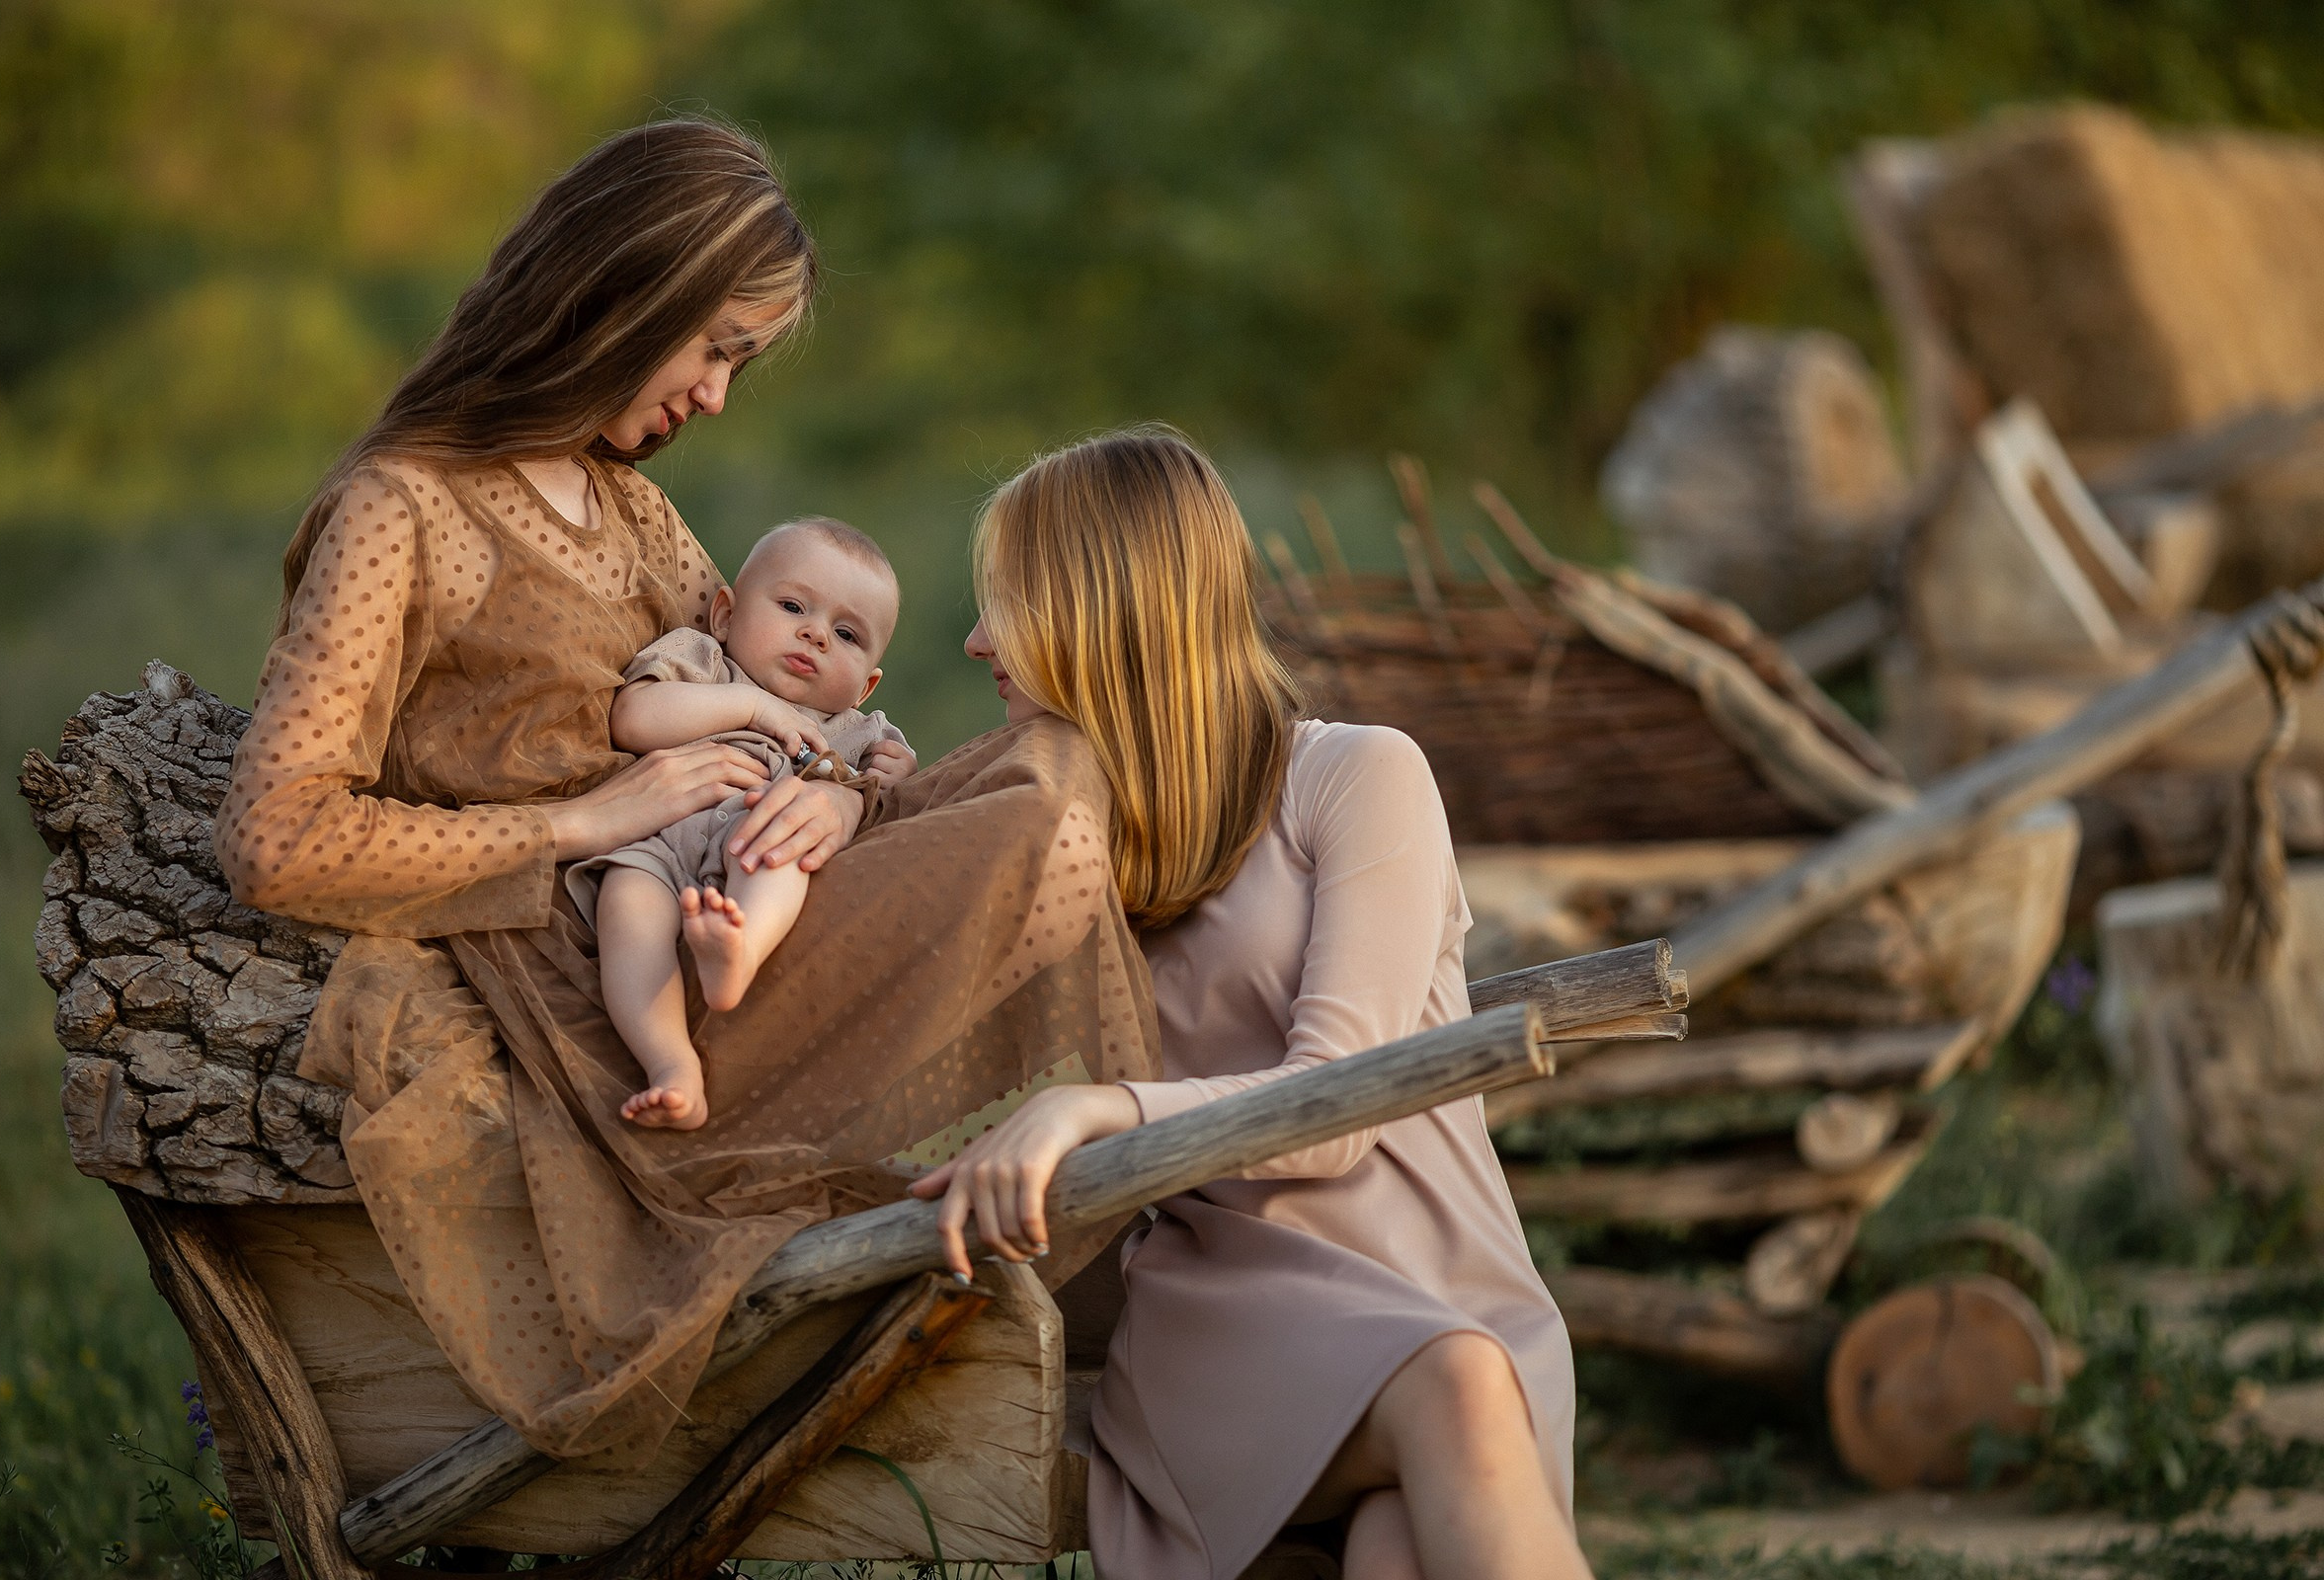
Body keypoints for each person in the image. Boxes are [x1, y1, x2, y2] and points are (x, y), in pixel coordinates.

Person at [215, 118, 1156, 1466]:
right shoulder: (405, 511)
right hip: (600, 970)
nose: (718, 397)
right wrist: (582, 821)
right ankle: (1137, 1241)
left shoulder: (637, 514)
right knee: (1042, 820)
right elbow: (275, 836)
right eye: (714, 345)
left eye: (742, 363)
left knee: (1061, 761)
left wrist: (833, 798)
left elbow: (787, 712)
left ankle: (1127, 1227)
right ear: (619, 288)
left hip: (740, 905)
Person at [915, 427, 1594, 1580]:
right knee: (1457, 1385)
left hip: (1446, 1281)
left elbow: (1337, 1108)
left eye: (1011, 601)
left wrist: (1097, 1109)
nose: (979, 639)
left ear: (1108, 609)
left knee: (1400, 1539)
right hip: (1236, 1323)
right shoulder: (1065, 845)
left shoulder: (1357, 777)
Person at [566, 516, 918, 1130]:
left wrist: (900, 771)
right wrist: (752, 705)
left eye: (846, 634)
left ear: (865, 685)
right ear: (725, 615)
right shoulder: (702, 661)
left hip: (759, 837)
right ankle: (670, 1062)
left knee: (780, 860)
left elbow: (894, 809)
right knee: (628, 910)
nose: (814, 635)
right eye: (791, 606)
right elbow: (633, 719)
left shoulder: (859, 732)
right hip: (660, 840)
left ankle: (739, 950)